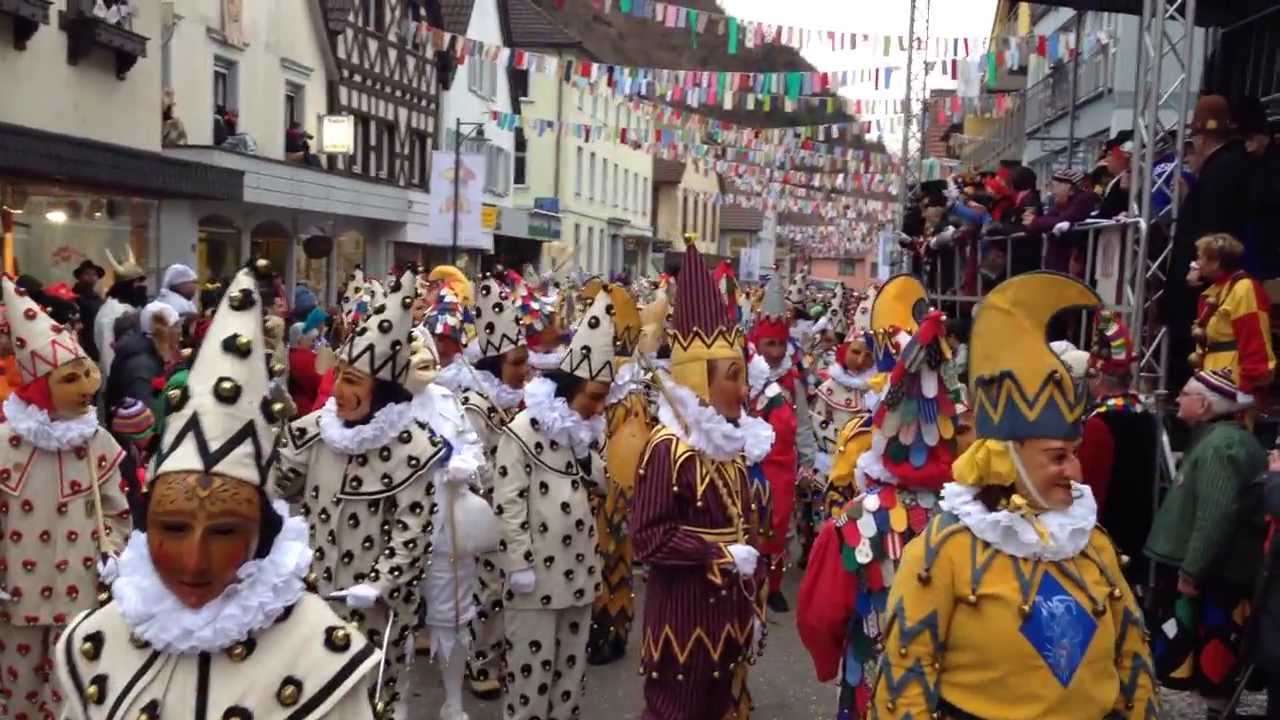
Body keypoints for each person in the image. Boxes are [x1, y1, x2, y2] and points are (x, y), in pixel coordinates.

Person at [54, 268, 381, 720]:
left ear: (263, 536)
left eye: (225, 531)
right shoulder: (98, 642)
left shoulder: (321, 661)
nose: (193, 562)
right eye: (173, 528)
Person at [871, 271, 1157, 719]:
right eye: (1057, 456)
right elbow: (905, 682)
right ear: (1009, 459)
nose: (1075, 471)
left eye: (1075, 454)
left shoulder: (1091, 544)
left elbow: (1133, 661)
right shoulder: (944, 552)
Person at [275, 271, 485, 720]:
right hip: (313, 599)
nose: (340, 391)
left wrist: (379, 584)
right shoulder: (313, 432)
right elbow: (277, 487)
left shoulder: (415, 447)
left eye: (354, 382)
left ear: (383, 390)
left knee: (375, 701)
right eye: (340, 377)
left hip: (378, 608)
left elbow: (414, 529)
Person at [797, 278, 963, 720]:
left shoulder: (852, 522)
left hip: (871, 687)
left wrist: (831, 660)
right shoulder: (975, 521)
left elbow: (820, 617)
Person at [631, 238, 774, 720]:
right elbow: (649, 538)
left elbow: (744, 528)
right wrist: (716, 553)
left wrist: (753, 601)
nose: (744, 389)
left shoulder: (728, 446)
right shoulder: (668, 448)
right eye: (733, 375)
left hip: (727, 620)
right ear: (699, 380)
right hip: (683, 624)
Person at [0, 277, 131, 719]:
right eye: (70, 378)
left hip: (79, 591)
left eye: (88, 373)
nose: (87, 386)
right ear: (41, 386)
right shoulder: (4, 444)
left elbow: (116, 510)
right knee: (15, 694)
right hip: (15, 596)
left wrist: (112, 550)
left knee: (74, 692)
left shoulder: (97, 442)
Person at [492, 288, 618, 720]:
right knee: (530, 679)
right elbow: (508, 502)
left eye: (604, 397)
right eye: (593, 396)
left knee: (569, 676)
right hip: (535, 579)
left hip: (578, 575)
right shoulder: (523, 429)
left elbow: (604, 485)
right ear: (570, 388)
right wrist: (518, 564)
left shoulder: (586, 433)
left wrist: (586, 454)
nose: (599, 407)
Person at [1145, 367, 1266, 718]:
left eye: (1184, 394)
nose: (1177, 398)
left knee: (1215, 646)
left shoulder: (1221, 446)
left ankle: (1218, 710)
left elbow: (1215, 515)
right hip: (1216, 570)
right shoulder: (1217, 440)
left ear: (1203, 404)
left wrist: (1192, 570)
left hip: (1219, 573)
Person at [453, 275, 531, 700]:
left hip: (520, 511)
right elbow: (473, 464)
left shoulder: (520, 403)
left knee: (514, 592)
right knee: (489, 592)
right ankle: (479, 661)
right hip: (489, 511)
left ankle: (505, 657)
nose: (525, 371)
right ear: (495, 364)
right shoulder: (476, 407)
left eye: (525, 362)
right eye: (516, 363)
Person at [1165, 95, 1253, 396]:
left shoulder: (1222, 170)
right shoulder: (1227, 166)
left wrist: (1198, 266)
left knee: (1193, 342)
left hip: (1206, 279)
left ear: (1200, 140)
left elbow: (1213, 225)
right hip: (1211, 273)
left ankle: (1189, 404)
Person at [587, 284, 650, 667]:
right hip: (593, 493)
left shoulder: (628, 394)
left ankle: (611, 629)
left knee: (614, 559)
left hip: (612, 494)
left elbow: (630, 446)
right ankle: (599, 627)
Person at [1076, 311, 1157, 590]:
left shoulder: (1101, 422)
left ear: (1097, 377)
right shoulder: (1142, 413)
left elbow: (1090, 489)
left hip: (1108, 534)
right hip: (1139, 529)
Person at [747, 273, 804, 613]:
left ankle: (775, 585)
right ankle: (750, 583)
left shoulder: (793, 378)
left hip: (783, 469)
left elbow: (805, 425)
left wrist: (809, 461)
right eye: (770, 344)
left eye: (781, 344)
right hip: (752, 465)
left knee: (780, 526)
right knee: (752, 523)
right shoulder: (746, 376)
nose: (777, 351)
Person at [1187, 232, 1276, 397]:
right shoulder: (1212, 292)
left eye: (1200, 258)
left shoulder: (1244, 288)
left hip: (1234, 378)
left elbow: (1254, 336)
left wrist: (1250, 384)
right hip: (1212, 374)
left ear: (1215, 262)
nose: (1196, 263)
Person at [1021, 168, 1100, 274]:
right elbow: (1043, 221)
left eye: (1055, 187)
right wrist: (1034, 223)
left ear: (1070, 189)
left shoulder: (1084, 199)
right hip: (1058, 261)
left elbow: (1063, 219)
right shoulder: (1060, 204)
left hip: (1072, 260)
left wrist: (1035, 222)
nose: (1052, 192)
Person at [105, 300, 179, 411]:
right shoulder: (141, 365)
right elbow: (144, 412)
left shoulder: (150, 352)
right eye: (176, 326)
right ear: (163, 331)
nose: (179, 331)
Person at [94, 245, 148, 381]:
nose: (142, 286)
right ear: (126, 286)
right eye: (137, 282)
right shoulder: (112, 313)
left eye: (142, 281)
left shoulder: (127, 307)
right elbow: (108, 354)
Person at [72, 259, 106, 361]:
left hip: (97, 340)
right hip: (83, 343)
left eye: (94, 274)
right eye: (87, 273)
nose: (91, 276)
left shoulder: (97, 298)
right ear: (80, 277)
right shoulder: (74, 296)